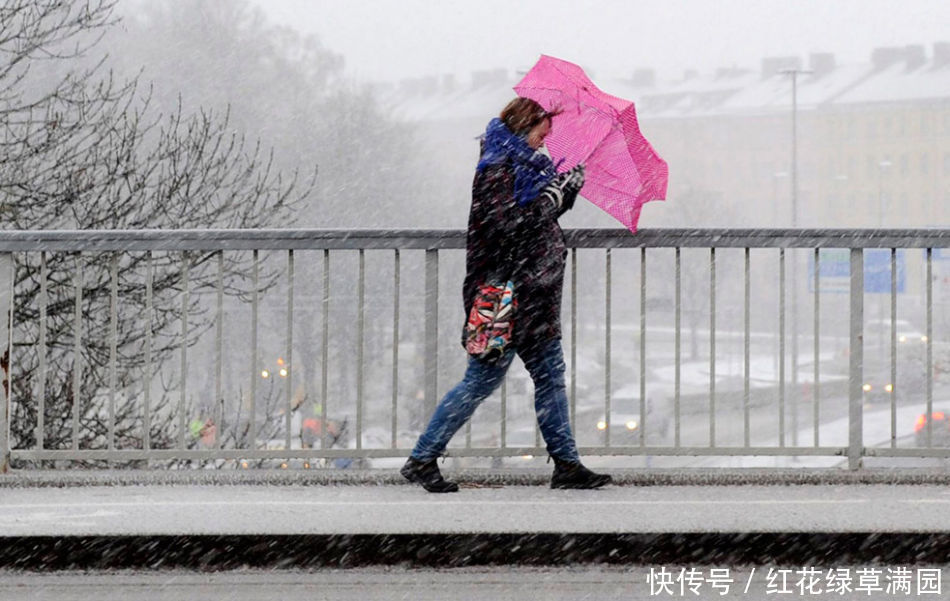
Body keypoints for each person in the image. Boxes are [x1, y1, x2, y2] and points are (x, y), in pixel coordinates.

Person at [401, 97, 612, 493]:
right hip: (508, 296)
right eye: (540, 133)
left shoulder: (524, 165)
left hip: (533, 294)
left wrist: (567, 192)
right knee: (480, 382)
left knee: (549, 378)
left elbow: (534, 218)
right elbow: (508, 226)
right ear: (522, 126)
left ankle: (566, 464)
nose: (543, 142)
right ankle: (422, 457)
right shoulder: (496, 168)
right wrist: (549, 200)